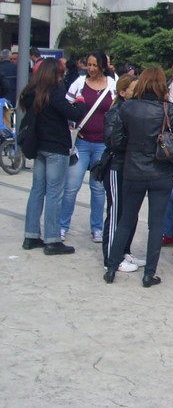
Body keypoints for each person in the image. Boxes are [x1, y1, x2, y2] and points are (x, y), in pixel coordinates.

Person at [104, 67, 173, 287]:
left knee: (126, 220)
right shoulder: (167, 109)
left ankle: (111, 267)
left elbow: (116, 141)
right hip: (161, 172)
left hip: (133, 170)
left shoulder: (128, 107)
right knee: (156, 225)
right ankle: (149, 274)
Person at [20, 58, 88, 255]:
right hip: (56, 147)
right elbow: (74, 114)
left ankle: (31, 235)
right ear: (55, 74)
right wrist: (81, 103)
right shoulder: (54, 92)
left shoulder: (32, 93)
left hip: (38, 145)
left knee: (37, 190)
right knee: (55, 193)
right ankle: (52, 239)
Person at [60, 50, 116, 243]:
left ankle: (97, 228)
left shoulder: (112, 85)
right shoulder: (78, 83)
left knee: (98, 189)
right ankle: (62, 225)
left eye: (94, 65)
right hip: (82, 142)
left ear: (102, 66)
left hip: (102, 145)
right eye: (88, 64)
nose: (91, 68)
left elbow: (118, 109)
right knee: (71, 187)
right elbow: (65, 106)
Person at [101, 74, 146, 273]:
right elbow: (113, 141)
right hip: (116, 167)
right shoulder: (115, 113)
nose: (138, 93)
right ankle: (112, 256)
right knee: (116, 212)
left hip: (131, 168)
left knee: (130, 213)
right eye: (134, 90)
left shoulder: (134, 112)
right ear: (123, 92)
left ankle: (124, 250)